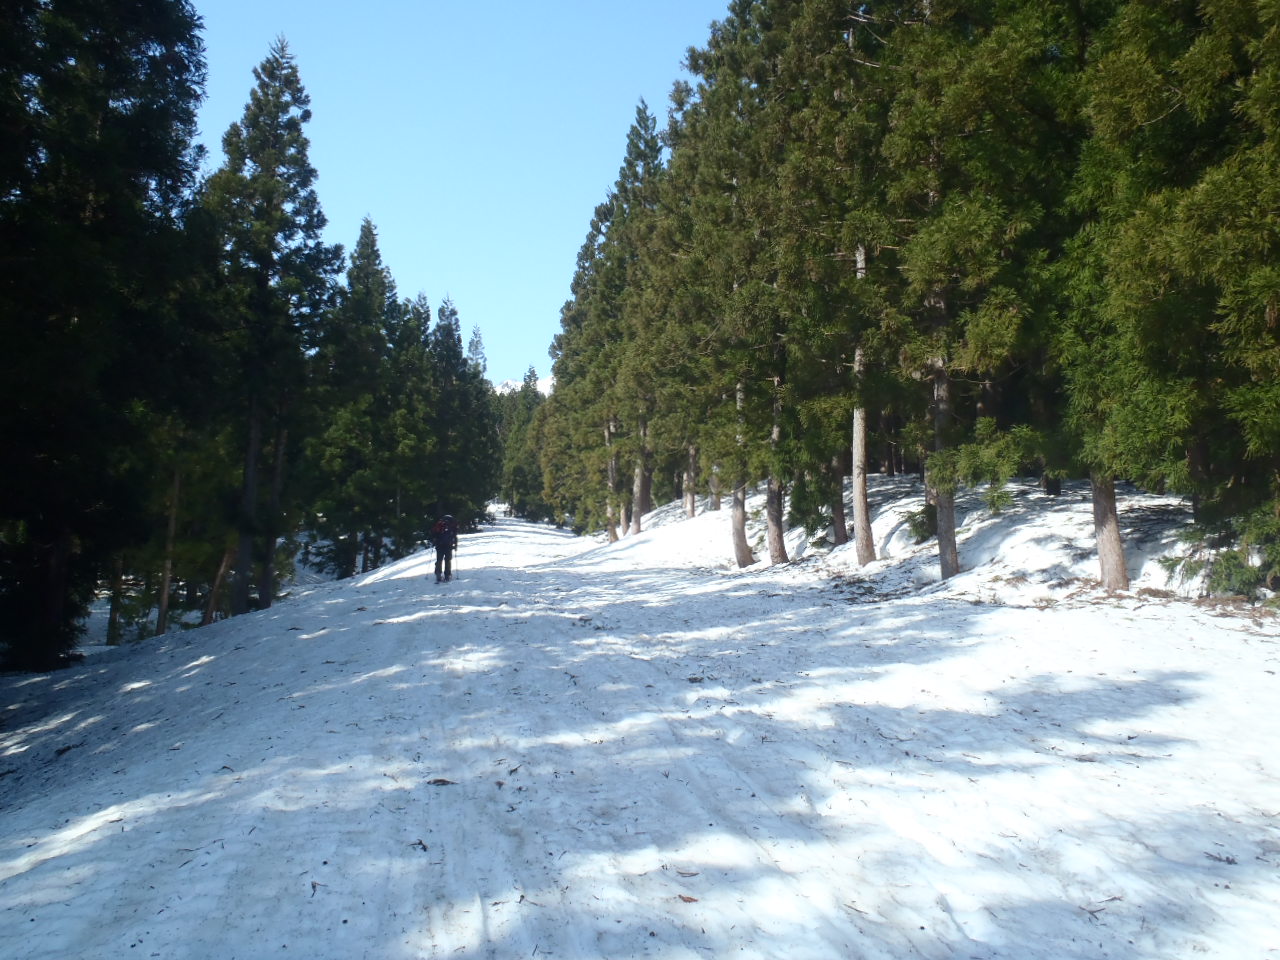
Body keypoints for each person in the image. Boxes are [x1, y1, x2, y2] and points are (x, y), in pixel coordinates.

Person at [432, 514, 458, 583]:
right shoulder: (452, 525)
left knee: (439, 560)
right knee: (447, 560)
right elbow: (455, 536)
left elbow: (434, 534)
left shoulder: (439, 524)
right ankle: (447, 575)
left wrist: (434, 542)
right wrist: (455, 545)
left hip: (439, 546)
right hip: (448, 546)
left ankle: (438, 574)